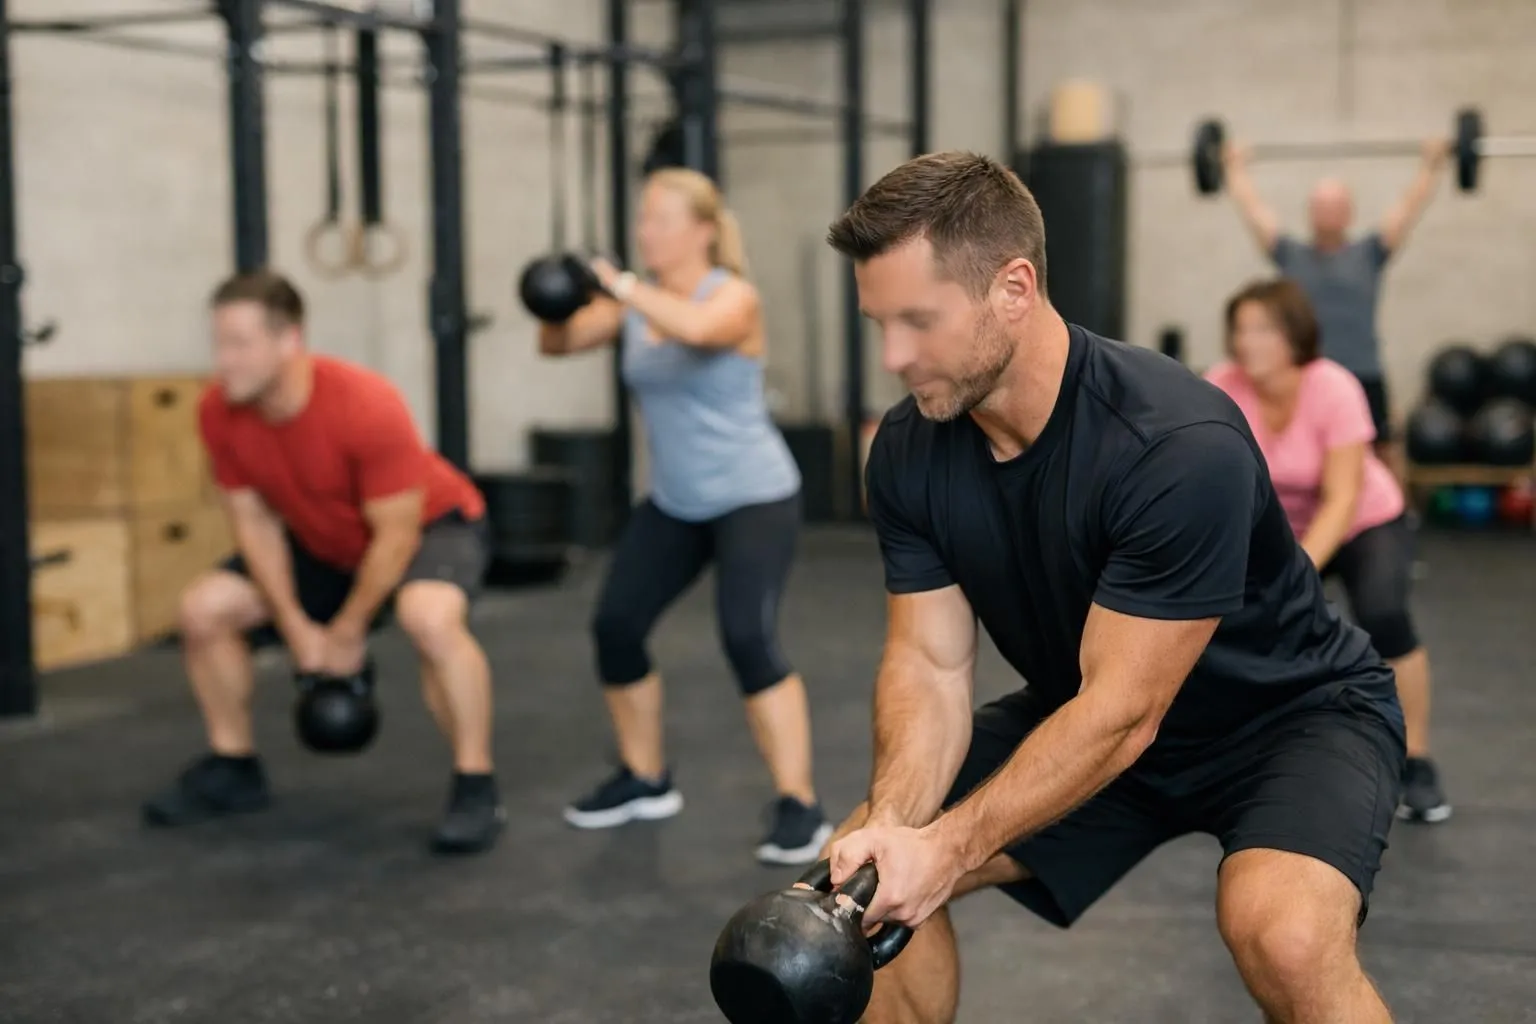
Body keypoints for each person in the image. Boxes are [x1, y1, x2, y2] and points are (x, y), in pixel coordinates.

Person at [816, 152, 1406, 1023]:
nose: (895, 356)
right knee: (857, 894)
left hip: (1285, 720)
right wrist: (901, 832)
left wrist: (948, 845)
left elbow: (1125, 712)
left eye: (918, 321)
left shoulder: (1173, 445)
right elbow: (931, 665)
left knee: (1283, 934)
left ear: (1013, 288)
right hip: (1082, 711)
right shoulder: (910, 450)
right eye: (880, 325)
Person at [141, 270, 504, 856]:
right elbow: (254, 525)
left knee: (428, 616)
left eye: (239, 344)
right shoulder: (219, 412)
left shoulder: (364, 403)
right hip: (325, 541)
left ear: (290, 341)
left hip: (431, 524)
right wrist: (297, 630)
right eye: (219, 344)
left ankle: (475, 783)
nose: (223, 361)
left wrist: (346, 630)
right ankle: (233, 765)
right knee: (204, 609)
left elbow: (395, 533)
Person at [535, 168, 830, 866]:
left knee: (747, 637)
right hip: (676, 501)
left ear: (702, 229)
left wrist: (623, 287)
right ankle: (645, 777)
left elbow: (699, 329)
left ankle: (800, 803)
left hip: (753, 495)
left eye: (660, 219)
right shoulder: (635, 306)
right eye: (642, 219)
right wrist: (559, 293)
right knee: (616, 626)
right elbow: (557, 342)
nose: (646, 232)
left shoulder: (732, 298)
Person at [1205, 278, 1450, 824]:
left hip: (1362, 519)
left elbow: (1341, 497)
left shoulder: (1333, 387)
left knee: (1384, 616)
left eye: (1263, 329)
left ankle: (1417, 761)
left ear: (1295, 335)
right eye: (1240, 329)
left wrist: (1296, 571)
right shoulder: (1222, 387)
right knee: (1231, 618)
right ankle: (1241, 754)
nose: (1248, 342)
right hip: (1276, 529)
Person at [1221, 137, 1450, 475]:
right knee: (1310, 457)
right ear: (1311, 213)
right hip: (1304, 376)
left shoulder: (1370, 252)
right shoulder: (1290, 254)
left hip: (1362, 371)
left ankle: (1394, 520)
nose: (1328, 212)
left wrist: (1432, 165)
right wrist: (1233, 168)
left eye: (1335, 206)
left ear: (1348, 213)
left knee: (1383, 454)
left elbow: (1408, 208)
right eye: (1321, 206)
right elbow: (1254, 211)